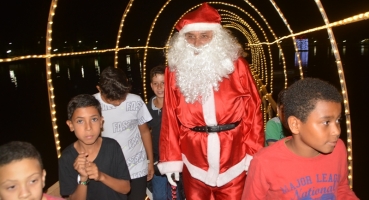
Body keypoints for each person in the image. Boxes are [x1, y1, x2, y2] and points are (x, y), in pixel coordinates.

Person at [158, 3, 264, 199]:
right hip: (193, 159)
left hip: (234, 156)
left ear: (217, 38)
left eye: (204, 36)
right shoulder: (174, 72)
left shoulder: (238, 66)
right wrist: (170, 158)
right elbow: (170, 117)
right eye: (190, 37)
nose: (197, 43)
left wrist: (254, 153)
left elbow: (253, 109)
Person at [242, 78, 359, 199]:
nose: (337, 131)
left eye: (338, 120)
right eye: (326, 122)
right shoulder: (264, 162)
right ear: (295, 124)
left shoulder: (338, 149)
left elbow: (341, 189)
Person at [93, 67, 154, 200]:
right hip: (108, 170)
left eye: (121, 97)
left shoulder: (136, 101)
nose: (118, 102)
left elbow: (144, 132)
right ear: (99, 88)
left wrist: (150, 161)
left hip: (137, 166)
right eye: (112, 100)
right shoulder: (91, 105)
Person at [59, 94, 131, 200]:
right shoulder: (66, 158)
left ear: (101, 122)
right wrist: (83, 178)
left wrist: (101, 176)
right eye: (80, 121)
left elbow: (126, 188)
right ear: (71, 125)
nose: (88, 127)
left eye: (94, 119)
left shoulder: (112, 147)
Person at [146, 65, 185, 200]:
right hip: (157, 160)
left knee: (177, 194)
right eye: (156, 83)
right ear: (151, 85)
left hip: (176, 159)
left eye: (163, 83)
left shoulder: (177, 106)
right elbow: (145, 134)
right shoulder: (147, 109)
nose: (159, 87)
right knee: (160, 194)